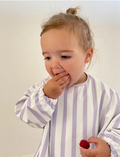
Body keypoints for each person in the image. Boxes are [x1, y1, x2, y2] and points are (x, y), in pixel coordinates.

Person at [15, 6, 120, 157]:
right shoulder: (44, 88)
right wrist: (46, 96)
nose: (54, 65)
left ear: (87, 55)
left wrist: (109, 146)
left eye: (64, 56)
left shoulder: (104, 94)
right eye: (47, 57)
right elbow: (30, 118)